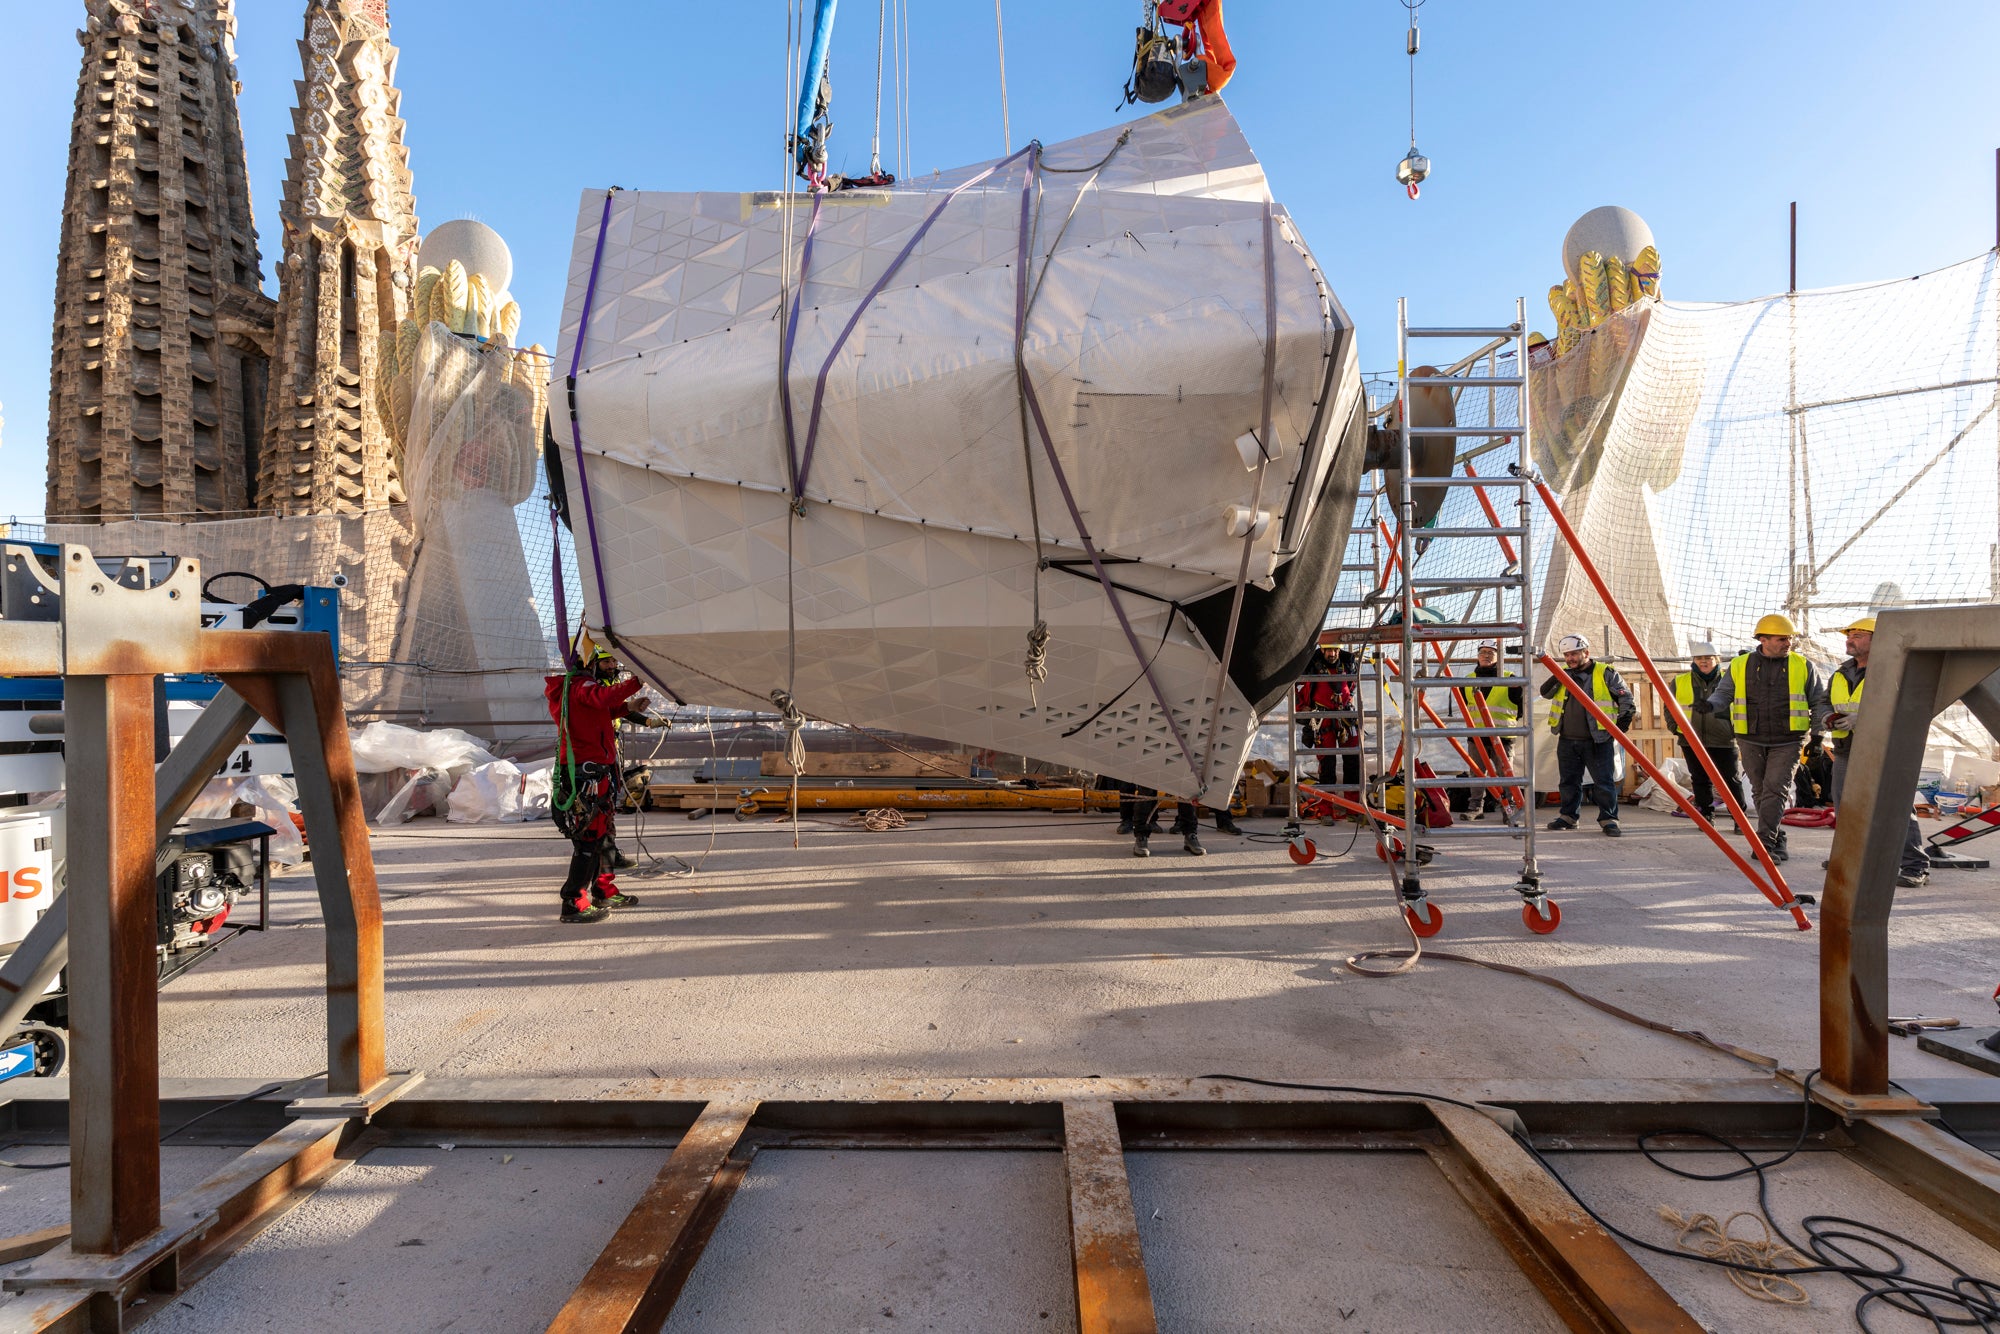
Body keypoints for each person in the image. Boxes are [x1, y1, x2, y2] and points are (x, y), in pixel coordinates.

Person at [544, 640, 655, 923]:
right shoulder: (581, 687)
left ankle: (604, 891)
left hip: (596, 774)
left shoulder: (579, 690)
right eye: (604, 661)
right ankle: (573, 902)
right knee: (589, 839)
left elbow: (599, 711)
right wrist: (639, 681)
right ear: (590, 661)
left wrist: (628, 706)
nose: (611, 666)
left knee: (604, 836)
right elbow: (600, 699)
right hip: (588, 776)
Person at [1706, 613, 1830, 864]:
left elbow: (1818, 701)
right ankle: (1777, 835)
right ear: (1763, 639)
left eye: (1790, 639)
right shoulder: (1740, 665)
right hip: (1750, 738)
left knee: (1775, 789)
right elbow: (1724, 694)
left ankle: (1763, 845)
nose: (1788, 643)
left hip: (1789, 740)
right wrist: (1709, 706)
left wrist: (1817, 737)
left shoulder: (1802, 665)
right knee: (1761, 792)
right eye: (1782, 639)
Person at [1825, 616, 1930, 888]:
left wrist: (1862, 719)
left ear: (1877, 639)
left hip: (1883, 750)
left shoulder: (1892, 669)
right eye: (1849, 635)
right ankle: (1851, 859)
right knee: (1845, 809)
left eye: (1859, 635)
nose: (1850, 639)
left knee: (1896, 808)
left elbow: (1905, 707)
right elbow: (1824, 702)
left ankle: (1915, 866)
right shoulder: (1840, 673)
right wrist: (1827, 717)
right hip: (1846, 750)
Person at [1538, 633, 1635, 835]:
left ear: (1586, 652)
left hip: (1598, 739)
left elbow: (1626, 699)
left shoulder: (1605, 673)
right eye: (1566, 655)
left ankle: (1609, 819)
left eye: (1574, 654)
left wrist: (1621, 725)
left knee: (1604, 782)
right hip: (1567, 738)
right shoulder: (1564, 674)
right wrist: (1558, 674)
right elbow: (1545, 693)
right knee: (1568, 781)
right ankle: (1568, 816)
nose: (1570, 658)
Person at [1666, 642, 1742, 823]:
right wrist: (1675, 729)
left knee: (1730, 780)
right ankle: (1706, 815)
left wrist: (1736, 732)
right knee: (1700, 779)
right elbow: (1669, 707)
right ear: (1693, 660)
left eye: (1708, 658)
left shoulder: (1730, 681)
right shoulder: (1680, 681)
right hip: (1691, 739)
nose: (1704, 662)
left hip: (1724, 739)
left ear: (1717, 660)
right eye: (1699, 658)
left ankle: (1740, 818)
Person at [1465, 641, 1523, 818]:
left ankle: (1509, 808)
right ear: (1477, 656)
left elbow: (1520, 707)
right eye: (1483, 652)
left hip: (1503, 736)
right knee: (1477, 772)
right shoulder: (1467, 680)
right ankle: (1476, 807)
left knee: (1505, 773)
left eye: (1491, 652)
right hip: (1476, 735)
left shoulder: (1511, 679)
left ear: (1499, 657)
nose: (1486, 655)